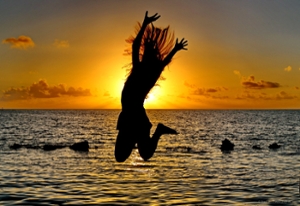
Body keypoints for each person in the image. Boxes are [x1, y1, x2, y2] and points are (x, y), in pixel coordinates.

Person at [114, 11, 188, 162]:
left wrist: (175, 49)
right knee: (120, 157)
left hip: (135, 114)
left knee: (144, 155)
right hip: (129, 113)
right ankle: (137, 137)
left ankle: (158, 131)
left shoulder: (148, 75)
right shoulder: (138, 69)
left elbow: (162, 63)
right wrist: (145, 24)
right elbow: (135, 47)